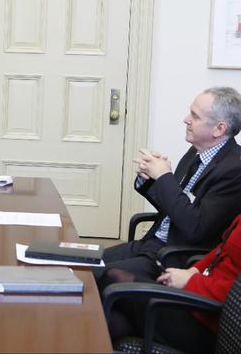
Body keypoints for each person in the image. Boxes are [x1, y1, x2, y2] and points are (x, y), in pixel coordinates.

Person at [96, 87, 241, 288]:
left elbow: (195, 227)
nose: (186, 119)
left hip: (172, 257)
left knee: (98, 276)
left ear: (219, 129)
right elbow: (175, 208)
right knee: (84, 261)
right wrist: (150, 180)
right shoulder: (195, 152)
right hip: (150, 244)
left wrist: (164, 177)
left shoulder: (234, 169)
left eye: (195, 116)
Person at [107, 214, 241, 353]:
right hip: (194, 302)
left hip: (209, 325)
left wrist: (189, 281)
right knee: (114, 321)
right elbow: (221, 251)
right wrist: (192, 271)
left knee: (115, 279)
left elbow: (235, 295)